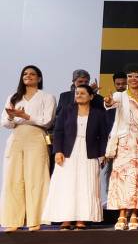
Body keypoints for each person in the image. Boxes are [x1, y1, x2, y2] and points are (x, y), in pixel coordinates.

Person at [43, 84, 109, 229]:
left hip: (90, 153)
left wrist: (103, 154)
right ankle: (65, 219)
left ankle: (81, 219)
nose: (78, 95)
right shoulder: (67, 111)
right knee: (66, 185)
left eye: (82, 93)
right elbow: (59, 132)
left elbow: (103, 136)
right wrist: (58, 151)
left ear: (91, 96)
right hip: (67, 153)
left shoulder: (99, 113)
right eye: (77, 93)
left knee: (86, 185)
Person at [1, 65, 56, 231]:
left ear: (39, 78)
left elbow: (47, 121)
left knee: (36, 178)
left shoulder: (47, 97)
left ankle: (35, 220)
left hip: (36, 137)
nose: (28, 76)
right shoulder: (14, 97)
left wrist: (26, 116)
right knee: (13, 178)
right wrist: (11, 116)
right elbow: (5, 122)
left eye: (32, 74)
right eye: (25, 74)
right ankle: (13, 220)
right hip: (17, 137)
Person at [104, 64, 138, 230]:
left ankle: (134, 214)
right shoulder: (120, 95)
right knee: (122, 178)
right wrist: (108, 101)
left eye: (137, 76)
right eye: (130, 76)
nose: (133, 79)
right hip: (125, 142)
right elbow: (110, 104)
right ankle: (121, 215)